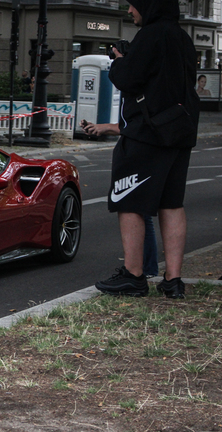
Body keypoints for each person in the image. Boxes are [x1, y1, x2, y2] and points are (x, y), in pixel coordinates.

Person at [94, 0, 199, 299]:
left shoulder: (151, 35)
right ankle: (173, 280)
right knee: (172, 203)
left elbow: (128, 79)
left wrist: (119, 60)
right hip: (179, 130)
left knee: (128, 200)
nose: (130, 11)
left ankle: (133, 275)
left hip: (146, 133)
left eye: (134, 4)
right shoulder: (182, 37)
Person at [82, 120, 158, 278]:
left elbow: (139, 124)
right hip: (140, 150)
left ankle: (142, 271)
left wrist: (107, 127)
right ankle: (146, 269)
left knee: (136, 209)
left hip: (141, 153)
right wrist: (101, 129)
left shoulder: (141, 97)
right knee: (141, 212)